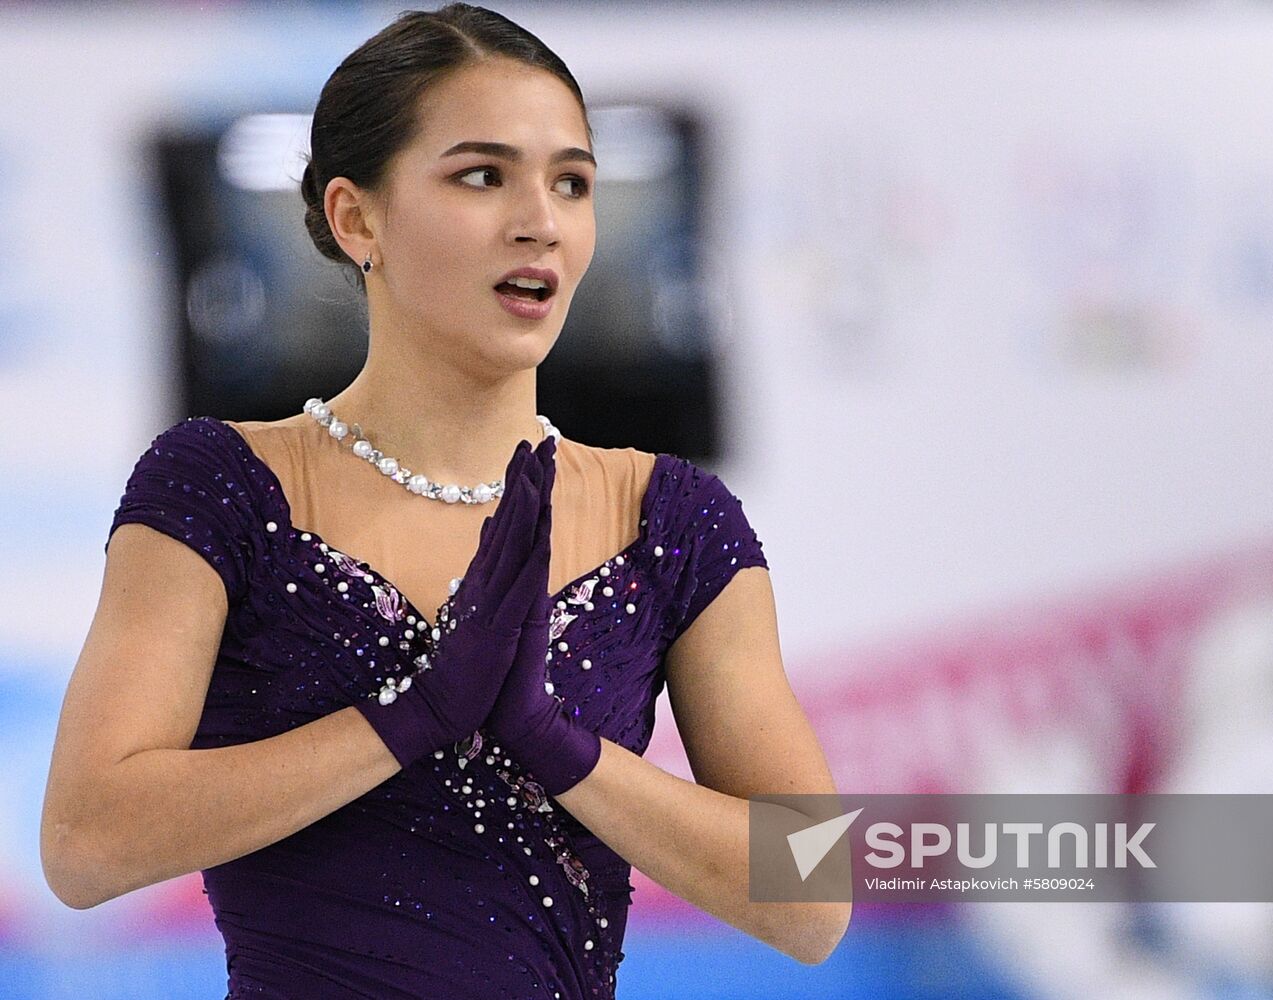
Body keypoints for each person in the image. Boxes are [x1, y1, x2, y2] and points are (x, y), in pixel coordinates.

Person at [39, 4, 848, 997]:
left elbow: (814, 893)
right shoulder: (221, 490)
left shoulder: (672, 520)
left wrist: (563, 748)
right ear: (355, 218)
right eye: (481, 175)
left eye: (571, 182)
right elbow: (85, 843)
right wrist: (404, 716)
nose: (539, 221)